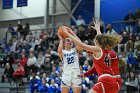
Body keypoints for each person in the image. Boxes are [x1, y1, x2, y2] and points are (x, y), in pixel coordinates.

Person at [61, 21, 122, 93]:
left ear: (96, 41)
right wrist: (98, 30)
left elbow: (81, 45)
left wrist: (68, 33)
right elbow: (100, 37)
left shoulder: (97, 50)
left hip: (105, 81)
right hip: (112, 82)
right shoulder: (104, 50)